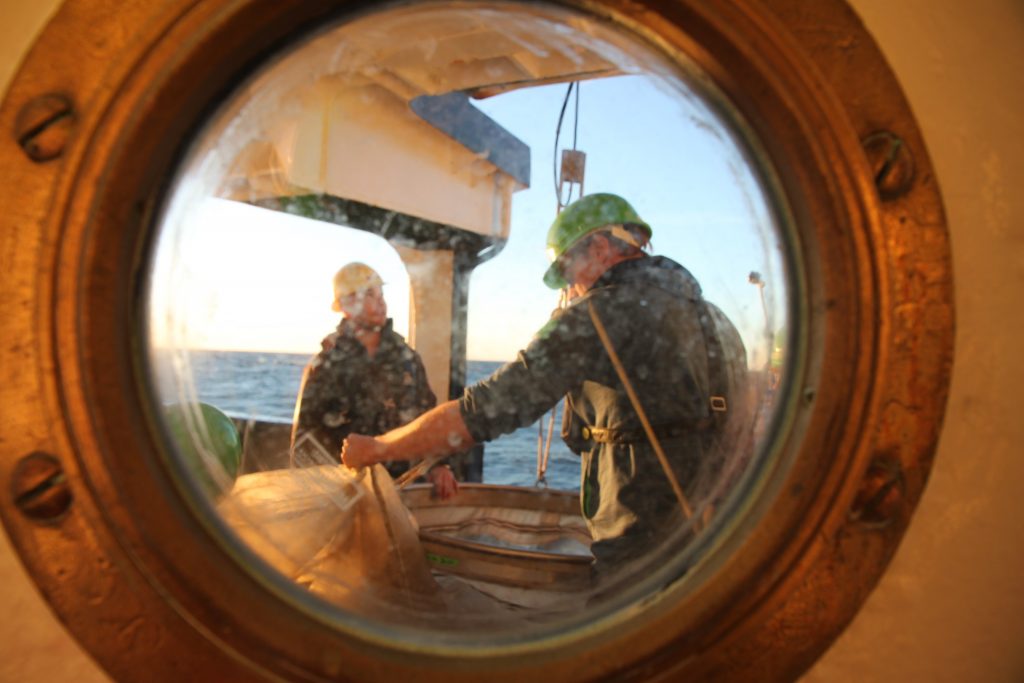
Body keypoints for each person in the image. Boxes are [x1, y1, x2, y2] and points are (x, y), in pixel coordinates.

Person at [342, 194, 743, 568]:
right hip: (716, 537)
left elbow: (482, 411)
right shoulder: (718, 321)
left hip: (639, 550)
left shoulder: (595, 316)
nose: (569, 289)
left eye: (568, 270)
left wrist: (378, 447)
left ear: (601, 251)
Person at [295, 262, 458, 499]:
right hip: (342, 497)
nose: (381, 302)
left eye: (381, 294)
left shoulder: (407, 360)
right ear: (345, 305)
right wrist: (331, 497)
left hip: (402, 492)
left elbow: (427, 418)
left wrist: (439, 465)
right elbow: (304, 443)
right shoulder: (325, 366)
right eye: (369, 294)